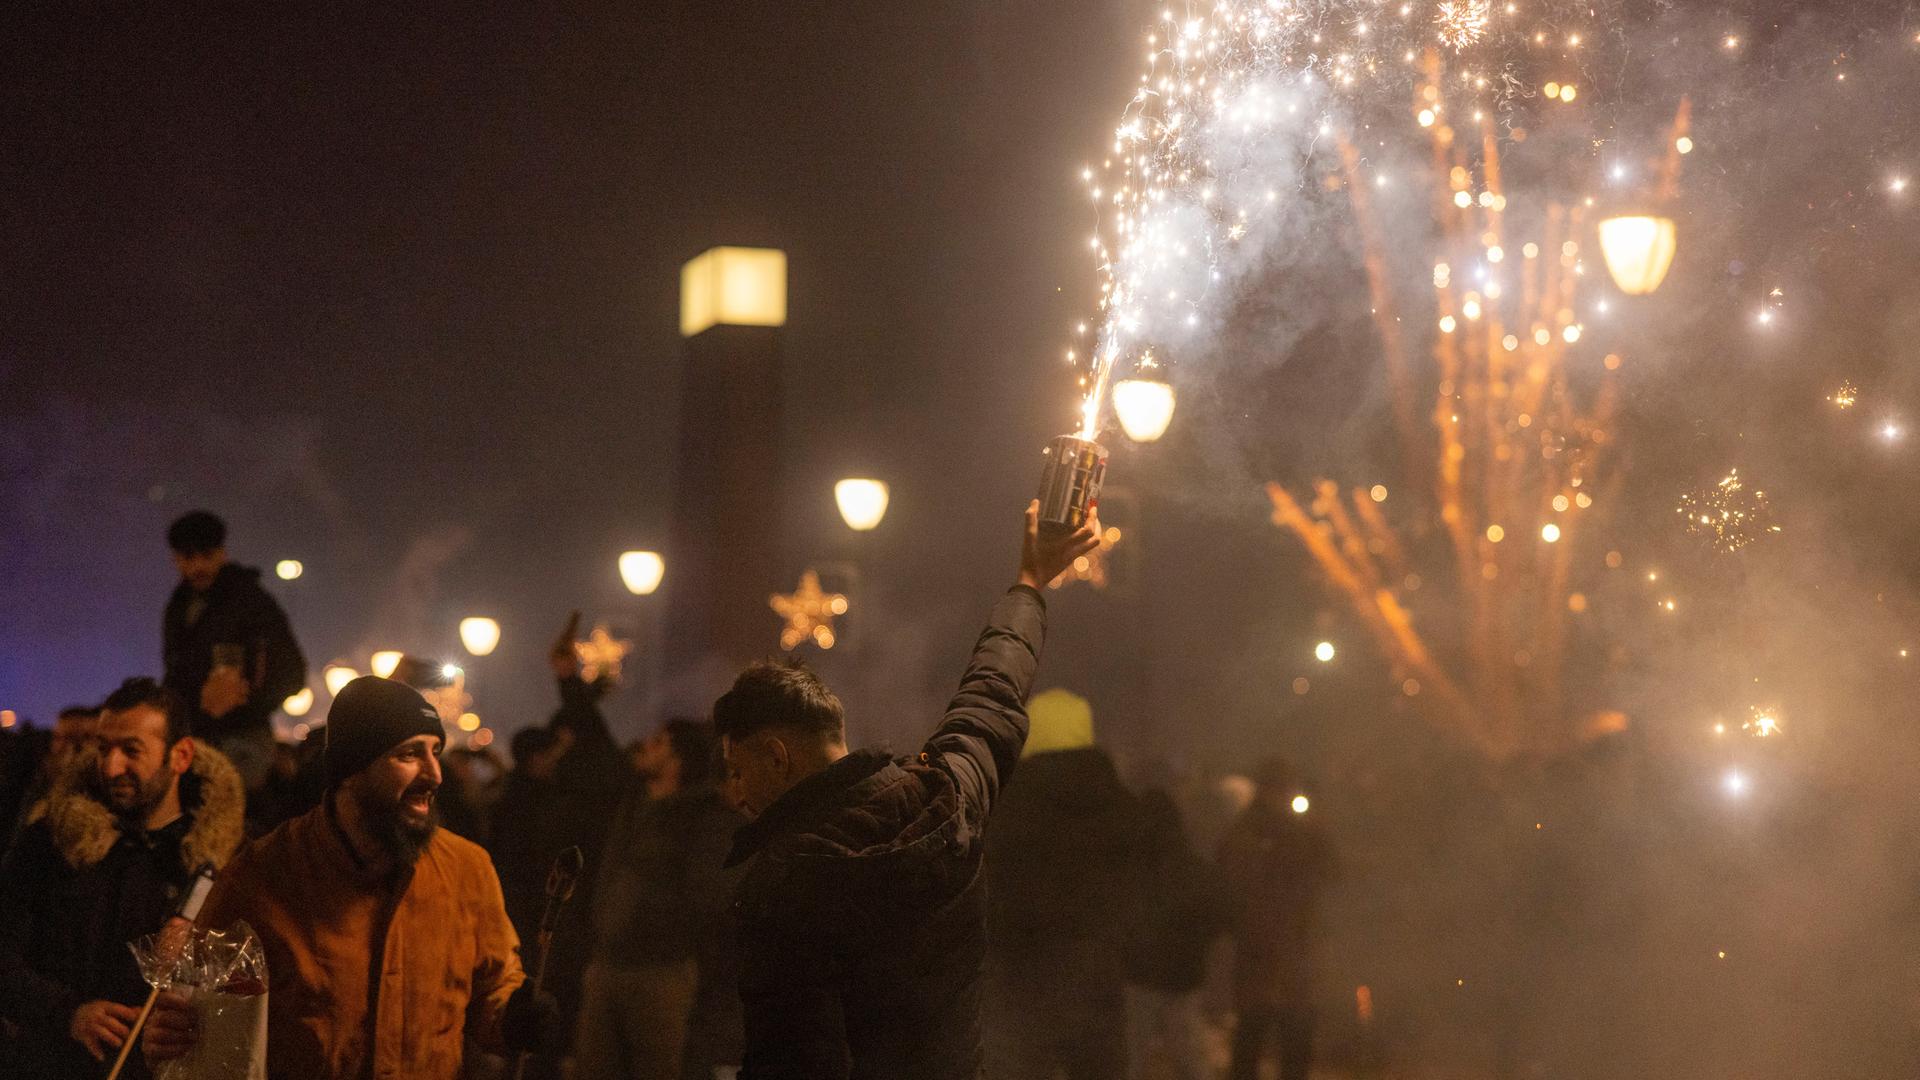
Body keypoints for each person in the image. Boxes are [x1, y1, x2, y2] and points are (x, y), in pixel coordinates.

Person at [715, 499, 1099, 1080]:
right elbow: (992, 692)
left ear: (777, 754)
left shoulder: (782, 886)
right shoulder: (946, 796)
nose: (735, 793)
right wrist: (1029, 583)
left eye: (737, 768)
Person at [142, 676, 560, 1079]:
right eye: (410, 754)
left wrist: (513, 1017)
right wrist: (174, 1032)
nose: (435, 774)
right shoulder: (261, 877)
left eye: (435, 751)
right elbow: (202, 1017)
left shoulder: (468, 869)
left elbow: (494, 985)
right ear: (352, 769)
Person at [0, 678, 244, 1079]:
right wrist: (68, 1013)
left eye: (131, 751)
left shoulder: (220, 862)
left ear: (180, 756)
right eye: (103, 749)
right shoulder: (50, 841)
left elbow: (246, 990)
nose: (111, 767)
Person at [981, 688, 1151, 1080]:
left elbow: (987, 893)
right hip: (1098, 977)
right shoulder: (1120, 806)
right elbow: (1138, 892)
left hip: (1020, 979)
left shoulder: (1005, 805)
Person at [576, 718, 744, 1080]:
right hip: (607, 962)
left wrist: (656, 931)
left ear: (678, 757)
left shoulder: (705, 818)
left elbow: (707, 897)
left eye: (658, 742)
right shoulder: (634, 803)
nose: (645, 747)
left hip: (661, 971)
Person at [161, 510, 308, 795]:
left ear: (221, 553)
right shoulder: (178, 606)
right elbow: (174, 672)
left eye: (206, 555)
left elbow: (292, 671)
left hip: (244, 738)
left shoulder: (252, 601)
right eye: (188, 558)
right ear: (176, 559)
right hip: (195, 737)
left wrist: (243, 699)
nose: (198, 566)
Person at [1218, 757, 1339, 1080]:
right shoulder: (1247, 832)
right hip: (1265, 951)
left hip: (1291, 951)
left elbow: (1332, 872)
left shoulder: (1300, 829)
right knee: (1255, 1037)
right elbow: (1232, 886)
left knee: (1289, 1039)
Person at [6, 703, 101, 842]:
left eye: (83, 738)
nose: (66, 747)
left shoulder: (98, 793)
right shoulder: (34, 780)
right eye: (58, 737)